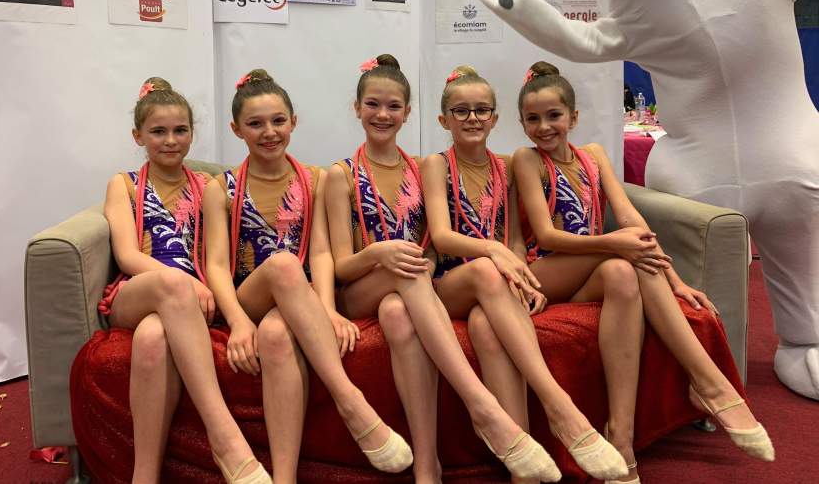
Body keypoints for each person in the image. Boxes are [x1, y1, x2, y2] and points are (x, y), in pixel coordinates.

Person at [514, 62, 775, 483]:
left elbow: (629, 216)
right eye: (533, 119)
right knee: (622, 253)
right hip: (544, 271)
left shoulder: (594, 155)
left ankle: (621, 435)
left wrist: (676, 281)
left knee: (622, 272)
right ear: (522, 123)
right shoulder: (527, 161)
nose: (544, 127)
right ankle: (709, 381)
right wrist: (614, 242)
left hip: (594, 271)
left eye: (554, 115)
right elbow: (547, 235)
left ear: (574, 117)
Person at [325, 55, 564, 483]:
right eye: (373, 105)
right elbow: (341, 266)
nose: (383, 114)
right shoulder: (340, 175)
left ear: (408, 113)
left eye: (393, 106)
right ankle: (481, 406)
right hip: (362, 287)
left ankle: (427, 465)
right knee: (412, 272)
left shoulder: (419, 169)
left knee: (398, 312)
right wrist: (379, 253)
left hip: (410, 287)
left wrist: (503, 266)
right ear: (356, 108)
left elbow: (434, 245)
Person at [203, 69, 412, 483]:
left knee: (277, 335)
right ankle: (350, 401)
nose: (269, 132)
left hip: (298, 297)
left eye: (278, 121)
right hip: (252, 295)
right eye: (255, 124)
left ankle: (284, 477)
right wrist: (239, 321)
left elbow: (319, 252)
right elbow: (216, 264)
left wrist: (327, 309)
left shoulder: (313, 179)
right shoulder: (220, 188)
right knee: (282, 264)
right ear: (236, 129)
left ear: (293, 122)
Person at [422, 65, 629, 483]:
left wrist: (521, 274)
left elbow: (515, 239)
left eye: (482, 110)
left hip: (496, 282)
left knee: (485, 326)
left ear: (495, 118)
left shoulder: (507, 166)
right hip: (452, 282)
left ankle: (523, 465)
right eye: (461, 111)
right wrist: (494, 252)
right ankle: (558, 405)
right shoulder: (435, 164)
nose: (472, 118)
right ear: (444, 121)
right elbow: (441, 237)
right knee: (485, 271)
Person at [100, 78, 271, 484]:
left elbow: (218, 256)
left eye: (180, 130)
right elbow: (127, 256)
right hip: (136, 290)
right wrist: (182, 281)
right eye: (158, 132)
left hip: (188, 304)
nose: (171, 141)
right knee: (173, 286)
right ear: (138, 136)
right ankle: (223, 434)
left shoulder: (208, 187)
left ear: (192, 134)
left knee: (152, 338)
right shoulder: (124, 184)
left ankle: (144, 476)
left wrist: (201, 287)